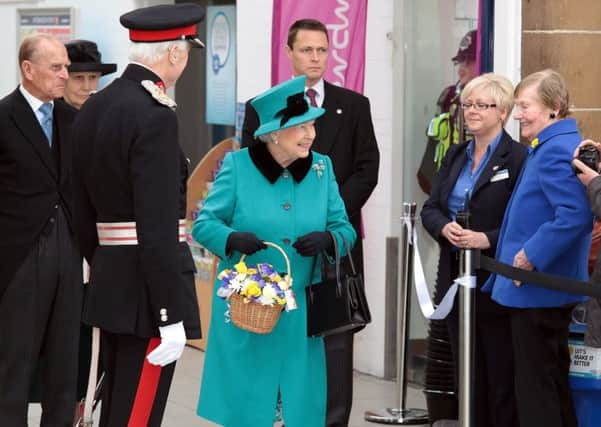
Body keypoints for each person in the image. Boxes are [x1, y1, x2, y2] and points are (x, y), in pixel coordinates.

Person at [195, 75, 356, 427]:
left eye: (312, 124)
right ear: (274, 132)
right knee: (249, 409)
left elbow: (346, 230)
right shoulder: (237, 167)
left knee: (298, 408)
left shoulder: (321, 168)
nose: (311, 134)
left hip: (301, 313)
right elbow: (204, 224)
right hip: (248, 307)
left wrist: (328, 240)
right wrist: (232, 239)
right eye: (301, 126)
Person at [71, 4, 205, 425]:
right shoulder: (155, 114)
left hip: (113, 281)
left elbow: (78, 204)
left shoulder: (96, 105)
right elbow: (159, 223)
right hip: (148, 297)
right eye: (186, 51)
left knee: (117, 407)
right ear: (175, 54)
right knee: (137, 414)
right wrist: (169, 313)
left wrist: (106, 262)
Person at [242, 18, 379, 426]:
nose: (315, 58)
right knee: (278, 343)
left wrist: (328, 216)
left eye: (322, 50)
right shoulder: (263, 107)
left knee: (334, 347)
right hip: (280, 249)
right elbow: (255, 170)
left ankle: (333, 420)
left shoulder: (354, 105)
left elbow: (366, 169)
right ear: (289, 53)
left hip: (333, 247)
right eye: (306, 50)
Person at [482, 69, 593, 427]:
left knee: (535, 389)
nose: (516, 114)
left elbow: (575, 215)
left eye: (524, 106)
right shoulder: (549, 146)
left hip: (538, 289)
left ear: (554, 108)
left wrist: (531, 254)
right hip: (540, 289)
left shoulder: (555, 150)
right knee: (550, 383)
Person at [421, 73, 527, 427]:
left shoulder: (519, 159)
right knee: (465, 372)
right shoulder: (455, 155)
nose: (471, 112)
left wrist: (488, 239)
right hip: (454, 278)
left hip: (496, 280)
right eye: (467, 104)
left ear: (504, 112)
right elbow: (431, 208)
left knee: (498, 372)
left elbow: (526, 222)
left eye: (482, 105)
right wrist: (443, 227)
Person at [0, 33, 81, 425]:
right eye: (57, 67)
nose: (65, 74)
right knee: (14, 363)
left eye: (66, 66)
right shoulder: (3, 117)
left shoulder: (72, 118)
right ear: (28, 69)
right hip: (19, 258)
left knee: (64, 364)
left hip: (69, 252)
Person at [418, 29, 479, 195]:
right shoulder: (449, 96)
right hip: (446, 182)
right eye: (460, 61)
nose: (462, 67)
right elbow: (433, 146)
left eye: (469, 60)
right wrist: (431, 182)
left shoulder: (494, 100)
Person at [63, 39, 116, 110]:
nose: (86, 87)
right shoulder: (47, 118)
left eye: (93, 77)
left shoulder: (108, 116)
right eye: (78, 77)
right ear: (61, 79)